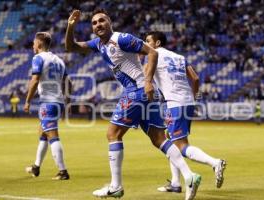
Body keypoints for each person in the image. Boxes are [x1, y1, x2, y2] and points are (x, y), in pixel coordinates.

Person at [65, 9, 201, 200]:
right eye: (94, 23)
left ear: (110, 22)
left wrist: (147, 81)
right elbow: (71, 47)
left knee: (113, 134)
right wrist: (70, 26)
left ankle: (116, 186)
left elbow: (152, 52)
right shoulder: (98, 44)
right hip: (145, 93)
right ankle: (190, 176)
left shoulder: (122, 39)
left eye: (102, 20)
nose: (98, 25)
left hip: (137, 90)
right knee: (159, 138)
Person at [145, 31, 226, 193]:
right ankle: (175, 183)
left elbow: (146, 77)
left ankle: (215, 162)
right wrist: (195, 97)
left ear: (158, 43)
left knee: (181, 146)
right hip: (187, 101)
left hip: (174, 103)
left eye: (148, 41)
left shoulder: (153, 55)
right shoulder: (180, 57)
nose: (145, 43)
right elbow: (195, 78)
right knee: (170, 140)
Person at [24, 32, 71, 180]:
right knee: (43, 133)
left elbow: (35, 80)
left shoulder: (38, 58)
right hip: (58, 102)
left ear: (39, 44)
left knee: (52, 136)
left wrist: (27, 101)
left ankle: (63, 172)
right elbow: (69, 83)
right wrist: (65, 101)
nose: (33, 45)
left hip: (47, 102)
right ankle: (36, 167)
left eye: (33, 43)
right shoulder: (59, 60)